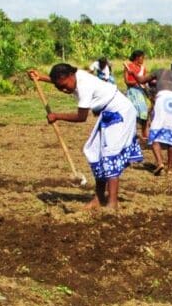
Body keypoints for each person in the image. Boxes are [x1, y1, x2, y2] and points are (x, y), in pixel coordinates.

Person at [28, 64, 143, 209]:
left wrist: (57, 116)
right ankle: (99, 198)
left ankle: (112, 202)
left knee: (109, 154)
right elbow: (60, 81)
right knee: (95, 152)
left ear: (71, 75)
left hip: (121, 112)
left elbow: (81, 117)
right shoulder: (75, 75)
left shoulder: (84, 86)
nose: (64, 90)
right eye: (59, 87)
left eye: (64, 86)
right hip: (107, 114)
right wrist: (41, 78)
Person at [137, 60, 172, 175]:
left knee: (155, 134)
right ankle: (170, 169)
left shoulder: (160, 71)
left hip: (161, 101)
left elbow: (141, 80)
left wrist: (132, 72)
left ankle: (160, 163)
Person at [123, 50, 149, 140]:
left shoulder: (143, 69)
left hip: (141, 92)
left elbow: (144, 82)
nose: (143, 59)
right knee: (133, 113)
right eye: (142, 57)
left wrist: (147, 91)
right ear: (137, 58)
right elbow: (126, 81)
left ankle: (145, 133)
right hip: (132, 92)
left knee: (144, 113)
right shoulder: (128, 67)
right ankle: (132, 134)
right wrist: (136, 83)